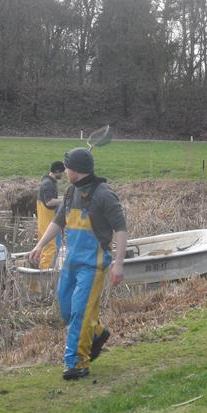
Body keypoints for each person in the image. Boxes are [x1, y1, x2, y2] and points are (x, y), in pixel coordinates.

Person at [29, 147, 127, 380]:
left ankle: (76, 363)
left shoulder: (104, 194)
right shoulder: (71, 192)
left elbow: (121, 229)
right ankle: (97, 333)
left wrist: (119, 264)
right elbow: (58, 222)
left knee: (81, 313)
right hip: (71, 262)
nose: (64, 171)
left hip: (93, 264)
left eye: (67, 167)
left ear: (77, 170)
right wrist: (40, 245)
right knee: (67, 309)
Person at [36, 160, 65, 269]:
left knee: (46, 246)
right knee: (50, 246)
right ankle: (45, 271)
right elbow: (49, 202)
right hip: (47, 222)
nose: (63, 174)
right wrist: (65, 200)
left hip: (45, 221)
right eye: (62, 172)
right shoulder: (48, 184)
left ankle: (43, 267)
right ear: (57, 171)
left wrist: (63, 198)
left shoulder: (48, 181)